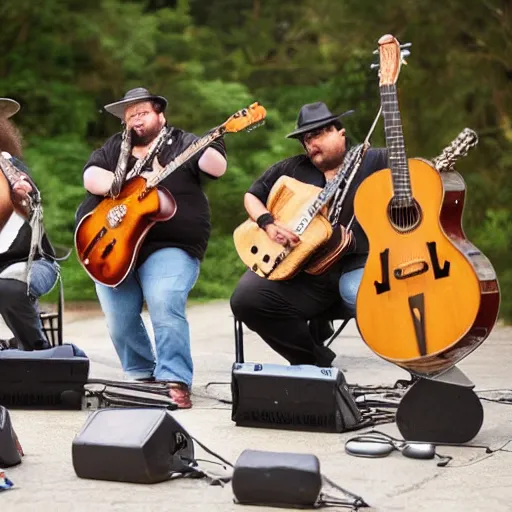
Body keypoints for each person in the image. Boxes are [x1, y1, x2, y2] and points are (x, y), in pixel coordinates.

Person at [76, 87, 227, 408]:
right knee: (119, 317)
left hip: (169, 243)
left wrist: (213, 142)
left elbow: (216, 168)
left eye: (141, 113)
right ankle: (141, 376)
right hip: (114, 243)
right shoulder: (116, 147)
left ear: (160, 114)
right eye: (130, 117)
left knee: (163, 300)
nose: (135, 121)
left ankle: (173, 377)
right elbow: (91, 176)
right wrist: (130, 186)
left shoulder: (183, 142)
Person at [230, 101, 387, 367]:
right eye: (306, 138)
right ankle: (313, 364)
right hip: (301, 270)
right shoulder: (293, 168)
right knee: (245, 298)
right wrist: (268, 223)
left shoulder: (374, 160)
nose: (312, 143)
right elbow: (252, 195)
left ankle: (421, 370)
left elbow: (416, 177)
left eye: (320, 134)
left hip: (357, 265)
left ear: (341, 132)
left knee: (376, 295)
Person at [0, 97, 59, 351]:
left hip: (33, 263)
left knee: (10, 287)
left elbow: (28, 191)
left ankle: (37, 354)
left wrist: (24, 191)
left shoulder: (9, 164)